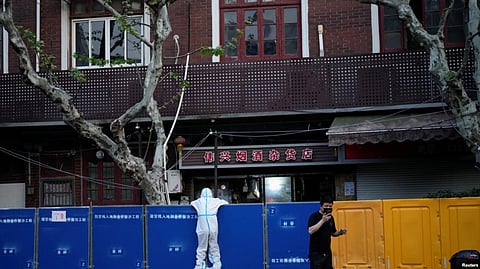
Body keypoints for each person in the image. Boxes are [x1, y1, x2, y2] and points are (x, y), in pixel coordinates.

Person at [191, 187, 228, 269]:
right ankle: (216, 264)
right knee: (214, 245)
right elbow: (226, 203)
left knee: (201, 246)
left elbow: (192, 203)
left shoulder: (198, 202)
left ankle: (199, 265)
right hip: (213, 225)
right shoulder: (216, 201)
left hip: (202, 226)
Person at [307, 196, 347, 269]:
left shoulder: (331, 218)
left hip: (327, 253)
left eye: (330, 206)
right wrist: (322, 221)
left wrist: (340, 232)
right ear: (321, 206)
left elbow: (333, 233)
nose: (328, 208)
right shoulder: (314, 216)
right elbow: (310, 231)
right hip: (316, 254)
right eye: (326, 206)